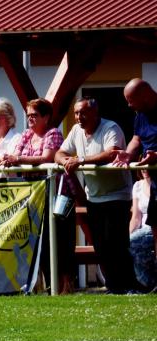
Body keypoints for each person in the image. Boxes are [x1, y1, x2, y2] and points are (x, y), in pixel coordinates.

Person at [55, 97, 139, 294]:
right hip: (94, 196)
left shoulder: (112, 128)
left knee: (117, 244)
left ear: (95, 112)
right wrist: (65, 160)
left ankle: (128, 286)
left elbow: (112, 153)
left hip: (118, 195)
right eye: (76, 113)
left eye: (82, 112)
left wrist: (80, 160)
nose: (78, 117)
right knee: (101, 246)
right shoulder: (76, 131)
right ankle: (113, 287)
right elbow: (59, 152)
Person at [0, 98, 74, 293]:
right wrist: (14, 160)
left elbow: (46, 158)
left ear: (46, 117)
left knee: (58, 244)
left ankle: (63, 287)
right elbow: (16, 156)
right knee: (37, 243)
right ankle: (44, 286)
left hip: (53, 196)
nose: (30, 119)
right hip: (33, 198)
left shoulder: (53, 133)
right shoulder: (26, 135)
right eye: (29, 115)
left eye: (34, 115)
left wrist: (17, 159)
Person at [115, 78, 157, 256]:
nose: (129, 105)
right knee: (156, 231)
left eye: (131, 100)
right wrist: (128, 153)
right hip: (155, 183)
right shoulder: (140, 115)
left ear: (145, 96)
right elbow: (136, 139)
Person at [129, 170, 156, 289]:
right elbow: (136, 217)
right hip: (143, 230)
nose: (144, 169)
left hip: (154, 226)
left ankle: (146, 283)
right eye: (142, 166)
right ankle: (147, 283)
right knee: (129, 244)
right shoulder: (137, 186)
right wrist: (127, 237)